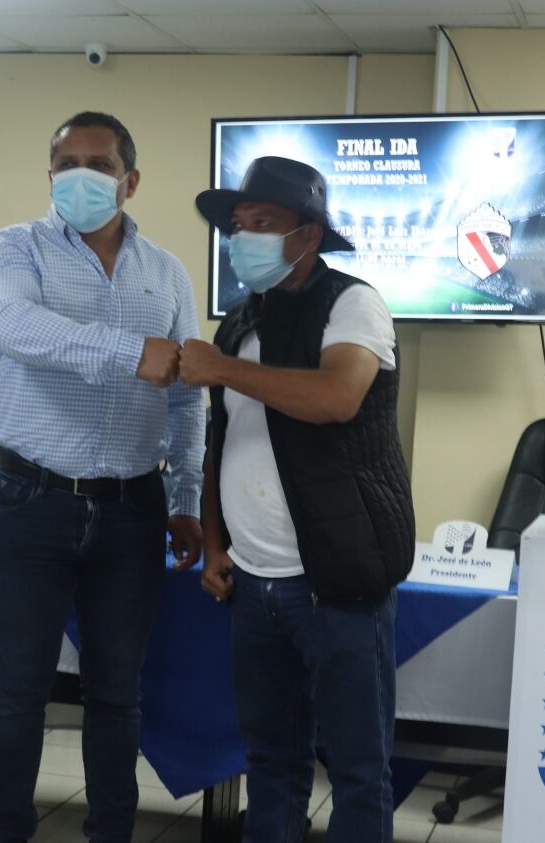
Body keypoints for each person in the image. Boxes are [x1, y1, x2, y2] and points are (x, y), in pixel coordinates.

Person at [0, 111, 204, 843]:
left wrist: (187, 498)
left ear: (129, 180)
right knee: (19, 689)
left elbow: (187, 397)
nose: (80, 176)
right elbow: (14, 327)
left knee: (117, 695)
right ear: (49, 175)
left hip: (134, 507)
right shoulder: (17, 248)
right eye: (66, 163)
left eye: (98, 164)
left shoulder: (167, 272)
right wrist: (128, 351)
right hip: (30, 500)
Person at [179, 156, 414, 843]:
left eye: (263, 222)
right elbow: (223, 442)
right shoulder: (240, 322)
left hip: (337, 583)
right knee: (272, 766)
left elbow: (337, 397)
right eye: (238, 225)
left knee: (358, 773)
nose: (242, 237)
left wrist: (223, 369)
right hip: (254, 587)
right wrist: (215, 544)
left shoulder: (352, 304)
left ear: (307, 235)